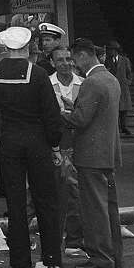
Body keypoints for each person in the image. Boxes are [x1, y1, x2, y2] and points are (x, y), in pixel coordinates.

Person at [0, 25, 64, 268]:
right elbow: (51, 114)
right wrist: (55, 144)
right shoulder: (38, 73)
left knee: (15, 203)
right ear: (27, 48)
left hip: (10, 139)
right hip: (37, 139)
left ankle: (20, 261)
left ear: (6, 49)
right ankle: (52, 259)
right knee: (45, 200)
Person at [63, 38, 124, 268]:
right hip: (108, 152)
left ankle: (100, 258)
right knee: (109, 208)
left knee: (94, 209)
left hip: (91, 155)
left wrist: (61, 112)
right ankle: (114, 255)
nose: (73, 64)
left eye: (74, 58)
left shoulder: (91, 82)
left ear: (84, 55)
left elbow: (81, 120)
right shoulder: (110, 79)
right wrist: (75, 107)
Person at [49, 46, 84, 254]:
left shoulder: (83, 84)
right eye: (60, 60)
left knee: (74, 195)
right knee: (45, 194)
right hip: (55, 146)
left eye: (68, 59)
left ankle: (73, 239)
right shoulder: (46, 83)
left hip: (76, 146)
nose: (65, 63)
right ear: (52, 63)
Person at [104, 41, 133, 135]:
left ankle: (124, 126)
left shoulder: (124, 60)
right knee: (114, 108)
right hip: (111, 87)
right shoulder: (107, 61)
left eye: (112, 50)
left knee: (124, 109)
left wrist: (128, 82)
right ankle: (115, 127)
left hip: (123, 87)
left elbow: (129, 73)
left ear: (116, 51)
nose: (110, 52)